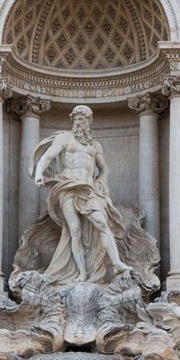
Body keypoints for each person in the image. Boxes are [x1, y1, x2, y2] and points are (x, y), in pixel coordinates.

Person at [32, 105, 131, 284]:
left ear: (89, 121)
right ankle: (82, 273)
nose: (79, 121)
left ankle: (117, 263)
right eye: (76, 118)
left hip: (89, 190)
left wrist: (101, 182)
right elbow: (47, 157)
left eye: (83, 118)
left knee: (102, 223)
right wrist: (39, 173)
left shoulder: (95, 146)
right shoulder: (64, 138)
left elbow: (104, 169)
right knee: (74, 230)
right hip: (67, 187)